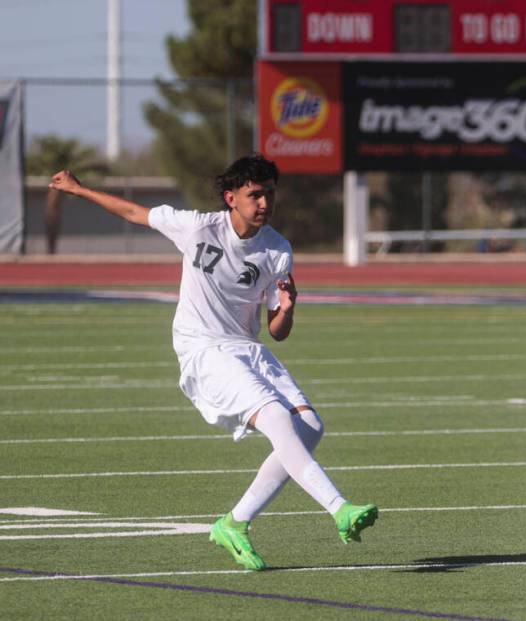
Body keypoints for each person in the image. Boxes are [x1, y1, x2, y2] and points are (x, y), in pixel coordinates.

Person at [49, 153, 378, 571]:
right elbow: (134, 212)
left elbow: (277, 331)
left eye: (269, 194)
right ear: (231, 198)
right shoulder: (198, 226)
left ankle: (234, 523)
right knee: (275, 416)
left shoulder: (277, 249)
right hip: (202, 348)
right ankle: (339, 509)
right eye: (254, 194)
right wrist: (78, 190)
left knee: (310, 427)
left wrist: (289, 308)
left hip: (247, 349)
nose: (264, 203)